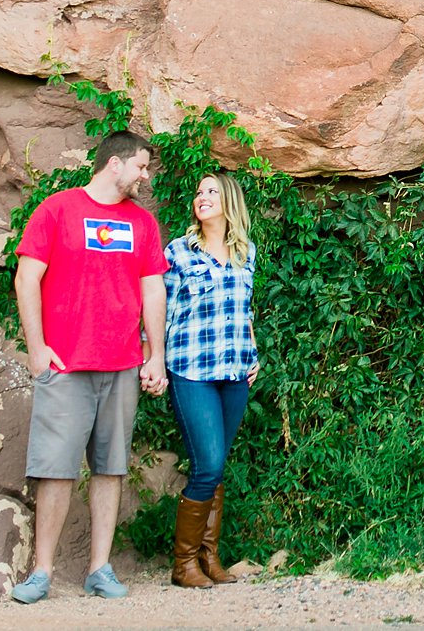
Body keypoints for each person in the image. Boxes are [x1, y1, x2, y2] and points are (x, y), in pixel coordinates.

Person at [8, 131, 168, 604]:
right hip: (67, 362)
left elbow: (153, 289)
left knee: (111, 468)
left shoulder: (143, 223)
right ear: (114, 164)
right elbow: (26, 278)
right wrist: (36, 348)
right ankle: (41, 572)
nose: (145, 176)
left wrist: (155, 354)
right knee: (56, 469)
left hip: (121, 362)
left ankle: (100, 568)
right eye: (141, 167)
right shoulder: (58, 210)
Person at [163, 171, 260, 588]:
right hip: (191, 370)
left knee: (216, 469)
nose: (202, 197)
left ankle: (210, 559)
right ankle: (184, 564)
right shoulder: (179, 252)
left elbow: (245, 308)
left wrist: (253, 351)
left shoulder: (246, 253)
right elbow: (159, 308)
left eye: (211, 192)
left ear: (229, 203)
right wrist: (150, 360)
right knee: (209, 464)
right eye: (199, 192)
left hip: (236, 372)